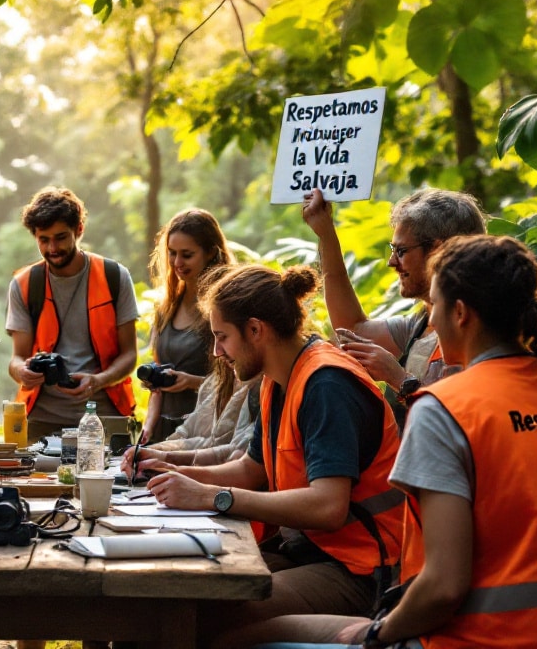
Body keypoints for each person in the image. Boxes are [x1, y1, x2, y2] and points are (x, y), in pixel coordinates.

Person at [252, 236, 537, 648]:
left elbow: (443, 587)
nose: (429, 322)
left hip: (479, 638)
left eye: (432, 307)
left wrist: (378, 630)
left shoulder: (446, 409)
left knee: (244, 637)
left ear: (461, 313)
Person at [141, 264, 403, 646]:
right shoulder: (278, 378)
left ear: (255, 330)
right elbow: (251, 470)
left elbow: (328, 506)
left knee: (195, 619)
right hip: (308, 552)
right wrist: (170, 471)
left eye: (221, 337)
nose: (217, 352)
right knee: (161, 600)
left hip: (360, 572)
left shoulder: (327, 385)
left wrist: (212, 496)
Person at [301, 187, 485, 408]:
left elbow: (467, 417)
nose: (391, 262)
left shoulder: (482, 330)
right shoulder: (421, 326)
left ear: (438, 252)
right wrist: (326, 233)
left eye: (401, 251)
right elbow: (353, 329)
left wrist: (399, 379)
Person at [6, 187, 139, 442]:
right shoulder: (24, 284)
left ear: (79, 230)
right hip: (42, 419)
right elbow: (16, 359)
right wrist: (22, 372)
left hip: (105, 417)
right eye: (43, 240)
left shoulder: (114, 276)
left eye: (60, 237)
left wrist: (98, 381)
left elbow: (130, 354)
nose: (52, 248)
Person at [140, 209, 234, 443]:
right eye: (172, 253)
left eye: (187, 254)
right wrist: (147, 430)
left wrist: (193, 382)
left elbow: (243, 383)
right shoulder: (166, 307)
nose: (177, 263)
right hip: (164, 433)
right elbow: (158, 388)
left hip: (207, 434)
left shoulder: (227, 305)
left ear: (211, 252)